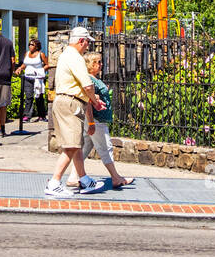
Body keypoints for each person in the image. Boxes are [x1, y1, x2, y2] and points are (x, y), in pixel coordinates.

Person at [46, 26, 106, 196]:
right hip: (71, 103)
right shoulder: (76, 57)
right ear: (81, 41)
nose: (88, 46)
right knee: (71, 146)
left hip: (66, 101)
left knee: (76, 144)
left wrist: (92, 100)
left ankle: (85, 180)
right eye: (87, 42)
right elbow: (87, 85)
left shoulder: (66, 55)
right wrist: (95, 101)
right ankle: (54, 182)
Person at [78, 50, 133, 188]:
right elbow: (88, 102)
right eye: (98, 62)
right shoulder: (89, 80)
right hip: (96, 119)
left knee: (85, 148)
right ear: (91, 64)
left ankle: (74, 176)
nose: (102, 64)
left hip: (96, 119)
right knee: (105, 147)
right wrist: (91, 122)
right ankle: (115, 177)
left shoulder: (94, 79)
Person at [16, 38, 48, 122]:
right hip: (28, 78)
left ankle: (42, 115)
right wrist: (20, 68)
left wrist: (41, 71)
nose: (30, 46)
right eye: (29, 44)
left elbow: (47, 64)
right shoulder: (27, 53)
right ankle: (27, 115)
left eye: (32, 45)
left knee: (39, 97)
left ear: (36, 47)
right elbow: (24, 64)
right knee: (28, 97)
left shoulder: (41, 54)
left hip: (38, 79)